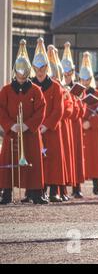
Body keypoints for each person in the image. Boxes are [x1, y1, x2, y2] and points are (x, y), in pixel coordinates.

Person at [0, 39, 47, 205]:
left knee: (33, 160)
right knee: (8, 161)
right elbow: (1, 109)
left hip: (30, 132)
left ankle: (35, 193)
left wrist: (28, 125)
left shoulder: (36, 90)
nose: (20, 77)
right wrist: (10, 125)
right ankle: (6, 193)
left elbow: (41, 110)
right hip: (12, 131)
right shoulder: (6, 90)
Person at [31, 43, 66, 203]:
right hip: (34, 130)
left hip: (51, 130)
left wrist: (46, 125)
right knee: (36, 160)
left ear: (47, 67)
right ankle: (35, 190)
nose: (40, 71)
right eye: (37, 68)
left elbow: (58, 110)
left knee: (53, 161)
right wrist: (35, 125)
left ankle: (54, 191)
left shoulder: (56, 87)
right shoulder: (30, 86)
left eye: (43, 67)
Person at [79, 52, 98, 196]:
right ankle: (76, 188)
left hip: (95, 130)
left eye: (87, 79)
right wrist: (83, 122)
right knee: (79, 157)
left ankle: (97, 185)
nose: (85, 82)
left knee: (96, 159)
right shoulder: (76, 92)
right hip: (82, 129)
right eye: (82, 79)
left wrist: (91, 122)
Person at [62, 45, 86, 199]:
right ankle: (62, 187)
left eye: (70, 72)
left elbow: (82, 111)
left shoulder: (77, 89)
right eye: (65, 72)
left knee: (76, 154)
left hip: (75, 125)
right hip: (64, 123)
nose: (68, 75)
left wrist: (76, 100)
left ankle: (76, 186)